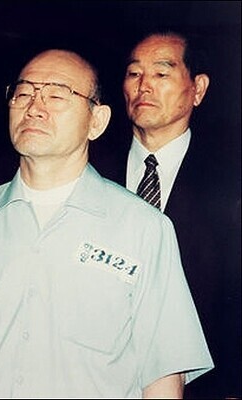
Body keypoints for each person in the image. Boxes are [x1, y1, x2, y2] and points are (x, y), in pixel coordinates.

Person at [0, 48, 214, 398]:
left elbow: (163, 375)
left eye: (57, 95)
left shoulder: (144, 229)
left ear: (97, 121)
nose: (34, 107)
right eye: (24, 93)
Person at [92, 30, 241, 398]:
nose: (144, 86)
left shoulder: (229, 179)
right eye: (133, 74)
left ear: (198, 88)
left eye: (161, 74)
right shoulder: (88, 169)